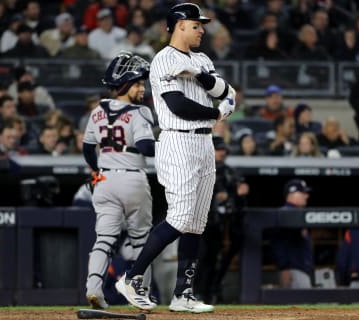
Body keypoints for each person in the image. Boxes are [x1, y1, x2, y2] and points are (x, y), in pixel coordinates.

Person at [115, 2, 236, 313]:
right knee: (180, 218)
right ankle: (131, 277)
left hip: (204, 144)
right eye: (196, 24)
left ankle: (183, 294)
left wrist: (199, 73)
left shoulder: (202, 58)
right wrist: (216, 113)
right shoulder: (162, 60)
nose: (201, 29)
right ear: (180, 25)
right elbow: (178, 105)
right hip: (178, 141)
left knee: (196, 224)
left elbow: (228, 92)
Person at [82, 51, 156, 310]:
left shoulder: (97, 111)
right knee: (141, 240)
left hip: (104, 180)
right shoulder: (140, 112)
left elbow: (87, 149)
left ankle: (93, 288)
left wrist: (97, 170)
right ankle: (140, 292)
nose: (141, 87)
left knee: (103, 239)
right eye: (137, 83)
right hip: (132, 179)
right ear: (124, 84)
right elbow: (147, 147)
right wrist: (168, 145)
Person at [195, 136, 249, 303]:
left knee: (214, 259)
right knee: (201, 258)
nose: (221, 152)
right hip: (202, 222)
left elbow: (238, 200)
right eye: (218, 149)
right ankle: (196, 293)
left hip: (222, 223)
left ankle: (210, 293)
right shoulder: (199, 169)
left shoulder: (229, 172)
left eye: (223, 149)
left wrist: (236, 194)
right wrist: (215, 197)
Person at [269, 179, 313, 288]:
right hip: (293, 272)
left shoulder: (296, 214)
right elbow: (278, 244)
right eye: (303, 193)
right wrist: (285, 268)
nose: (306, 196)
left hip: (300, 270)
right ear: (292, 193)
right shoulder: (285, 214)